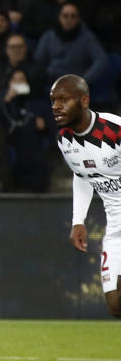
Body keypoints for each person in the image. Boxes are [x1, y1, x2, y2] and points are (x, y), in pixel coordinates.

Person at [50, 75, 121, 318]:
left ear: (84, 100)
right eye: (53, 101)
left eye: (63, 100)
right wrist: (78, 221)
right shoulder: (65, 140)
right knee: (115, 304)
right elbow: (82, 176)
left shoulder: (114, 130)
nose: (55, 107)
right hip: (115, 228)